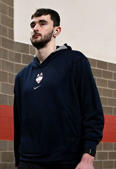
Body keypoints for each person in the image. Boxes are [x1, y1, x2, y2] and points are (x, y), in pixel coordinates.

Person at [13, 8, 104, 169]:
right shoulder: (22, 77)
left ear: (57, 30)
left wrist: (88, 155)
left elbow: (93, 112)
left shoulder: (75, 61)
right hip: (29, 161)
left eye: (42, 23)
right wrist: (19, 162)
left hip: (66, 161)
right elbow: (19, 124)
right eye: (33, 24)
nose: (36, 28)